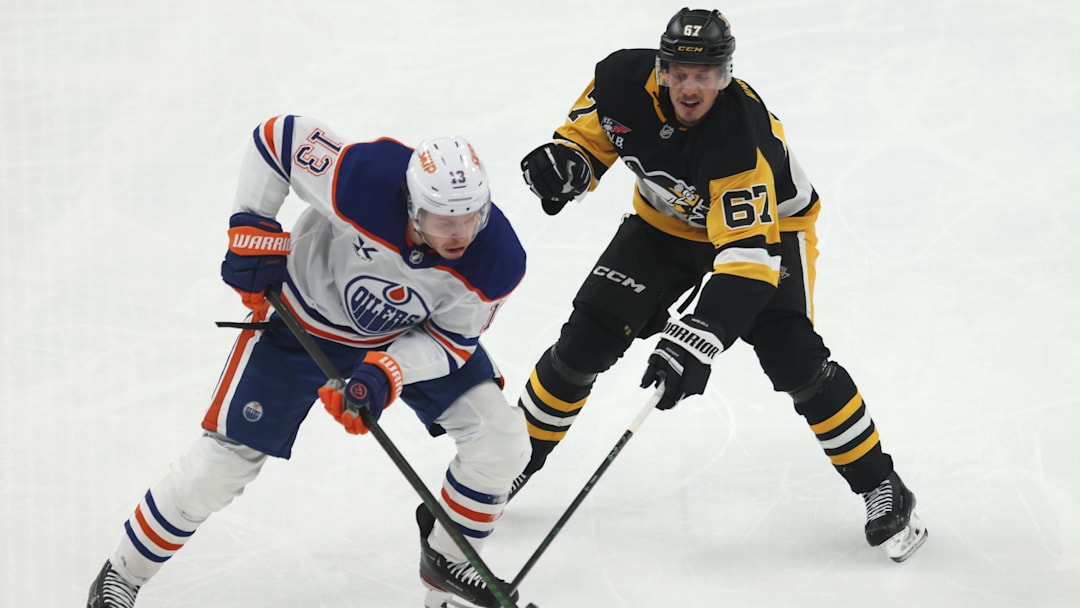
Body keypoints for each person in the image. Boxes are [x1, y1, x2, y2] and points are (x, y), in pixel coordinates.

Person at [512, 7, 928, 562]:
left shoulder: (739, 137)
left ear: (725, 75)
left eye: (704, 75)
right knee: (584, 340)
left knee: (793, 357)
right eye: (679, 73)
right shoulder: (618, 79)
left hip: (769, 232)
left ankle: (882, 484)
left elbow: (749, 262)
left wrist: (699, 335)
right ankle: (510, 464)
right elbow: (590, 139)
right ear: (661, 69)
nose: (690, 87)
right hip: (664, 225)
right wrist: (567, 164)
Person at [86, 117, 530, 608]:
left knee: (501, 441)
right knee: (221, 464)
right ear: (412, 205)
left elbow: (450, 343)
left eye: (471, 217)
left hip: (402, 335)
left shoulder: (498, 259)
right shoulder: (365, 179)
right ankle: (123, 574)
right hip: (302, 321)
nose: (461, 234)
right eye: (444, 220)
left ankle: (448, 573)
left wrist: (389, 372)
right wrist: (251, 225)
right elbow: (277, 139)